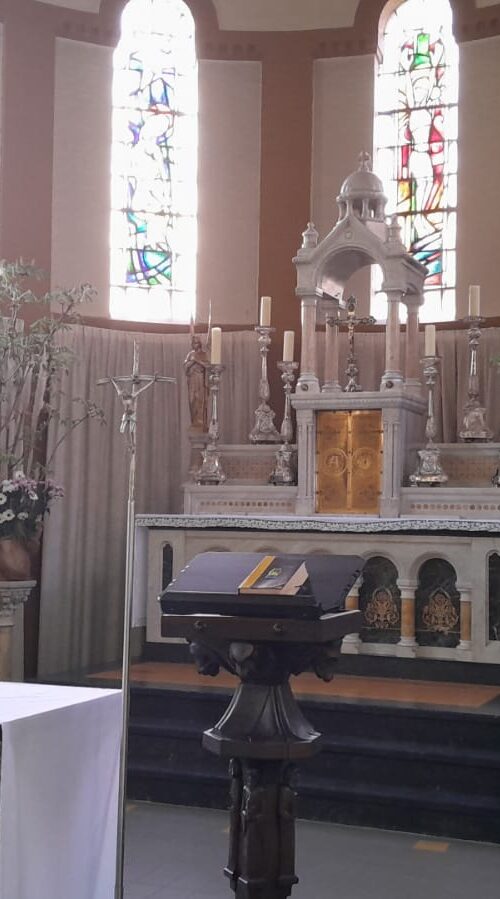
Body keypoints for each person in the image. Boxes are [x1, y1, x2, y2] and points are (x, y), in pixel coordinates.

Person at [184, 333, 209, 431]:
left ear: (200, 344)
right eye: (193, 343)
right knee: (192, 401)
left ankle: (200, 422)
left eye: (196, 343)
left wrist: (198, 361)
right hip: (192, 380)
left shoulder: (204, 354)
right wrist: (192, 361)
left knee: (200, 400)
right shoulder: (190, 354)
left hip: (200, 380)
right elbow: (185, 367)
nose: (195, 345)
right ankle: (194, 422)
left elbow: (208, 366)